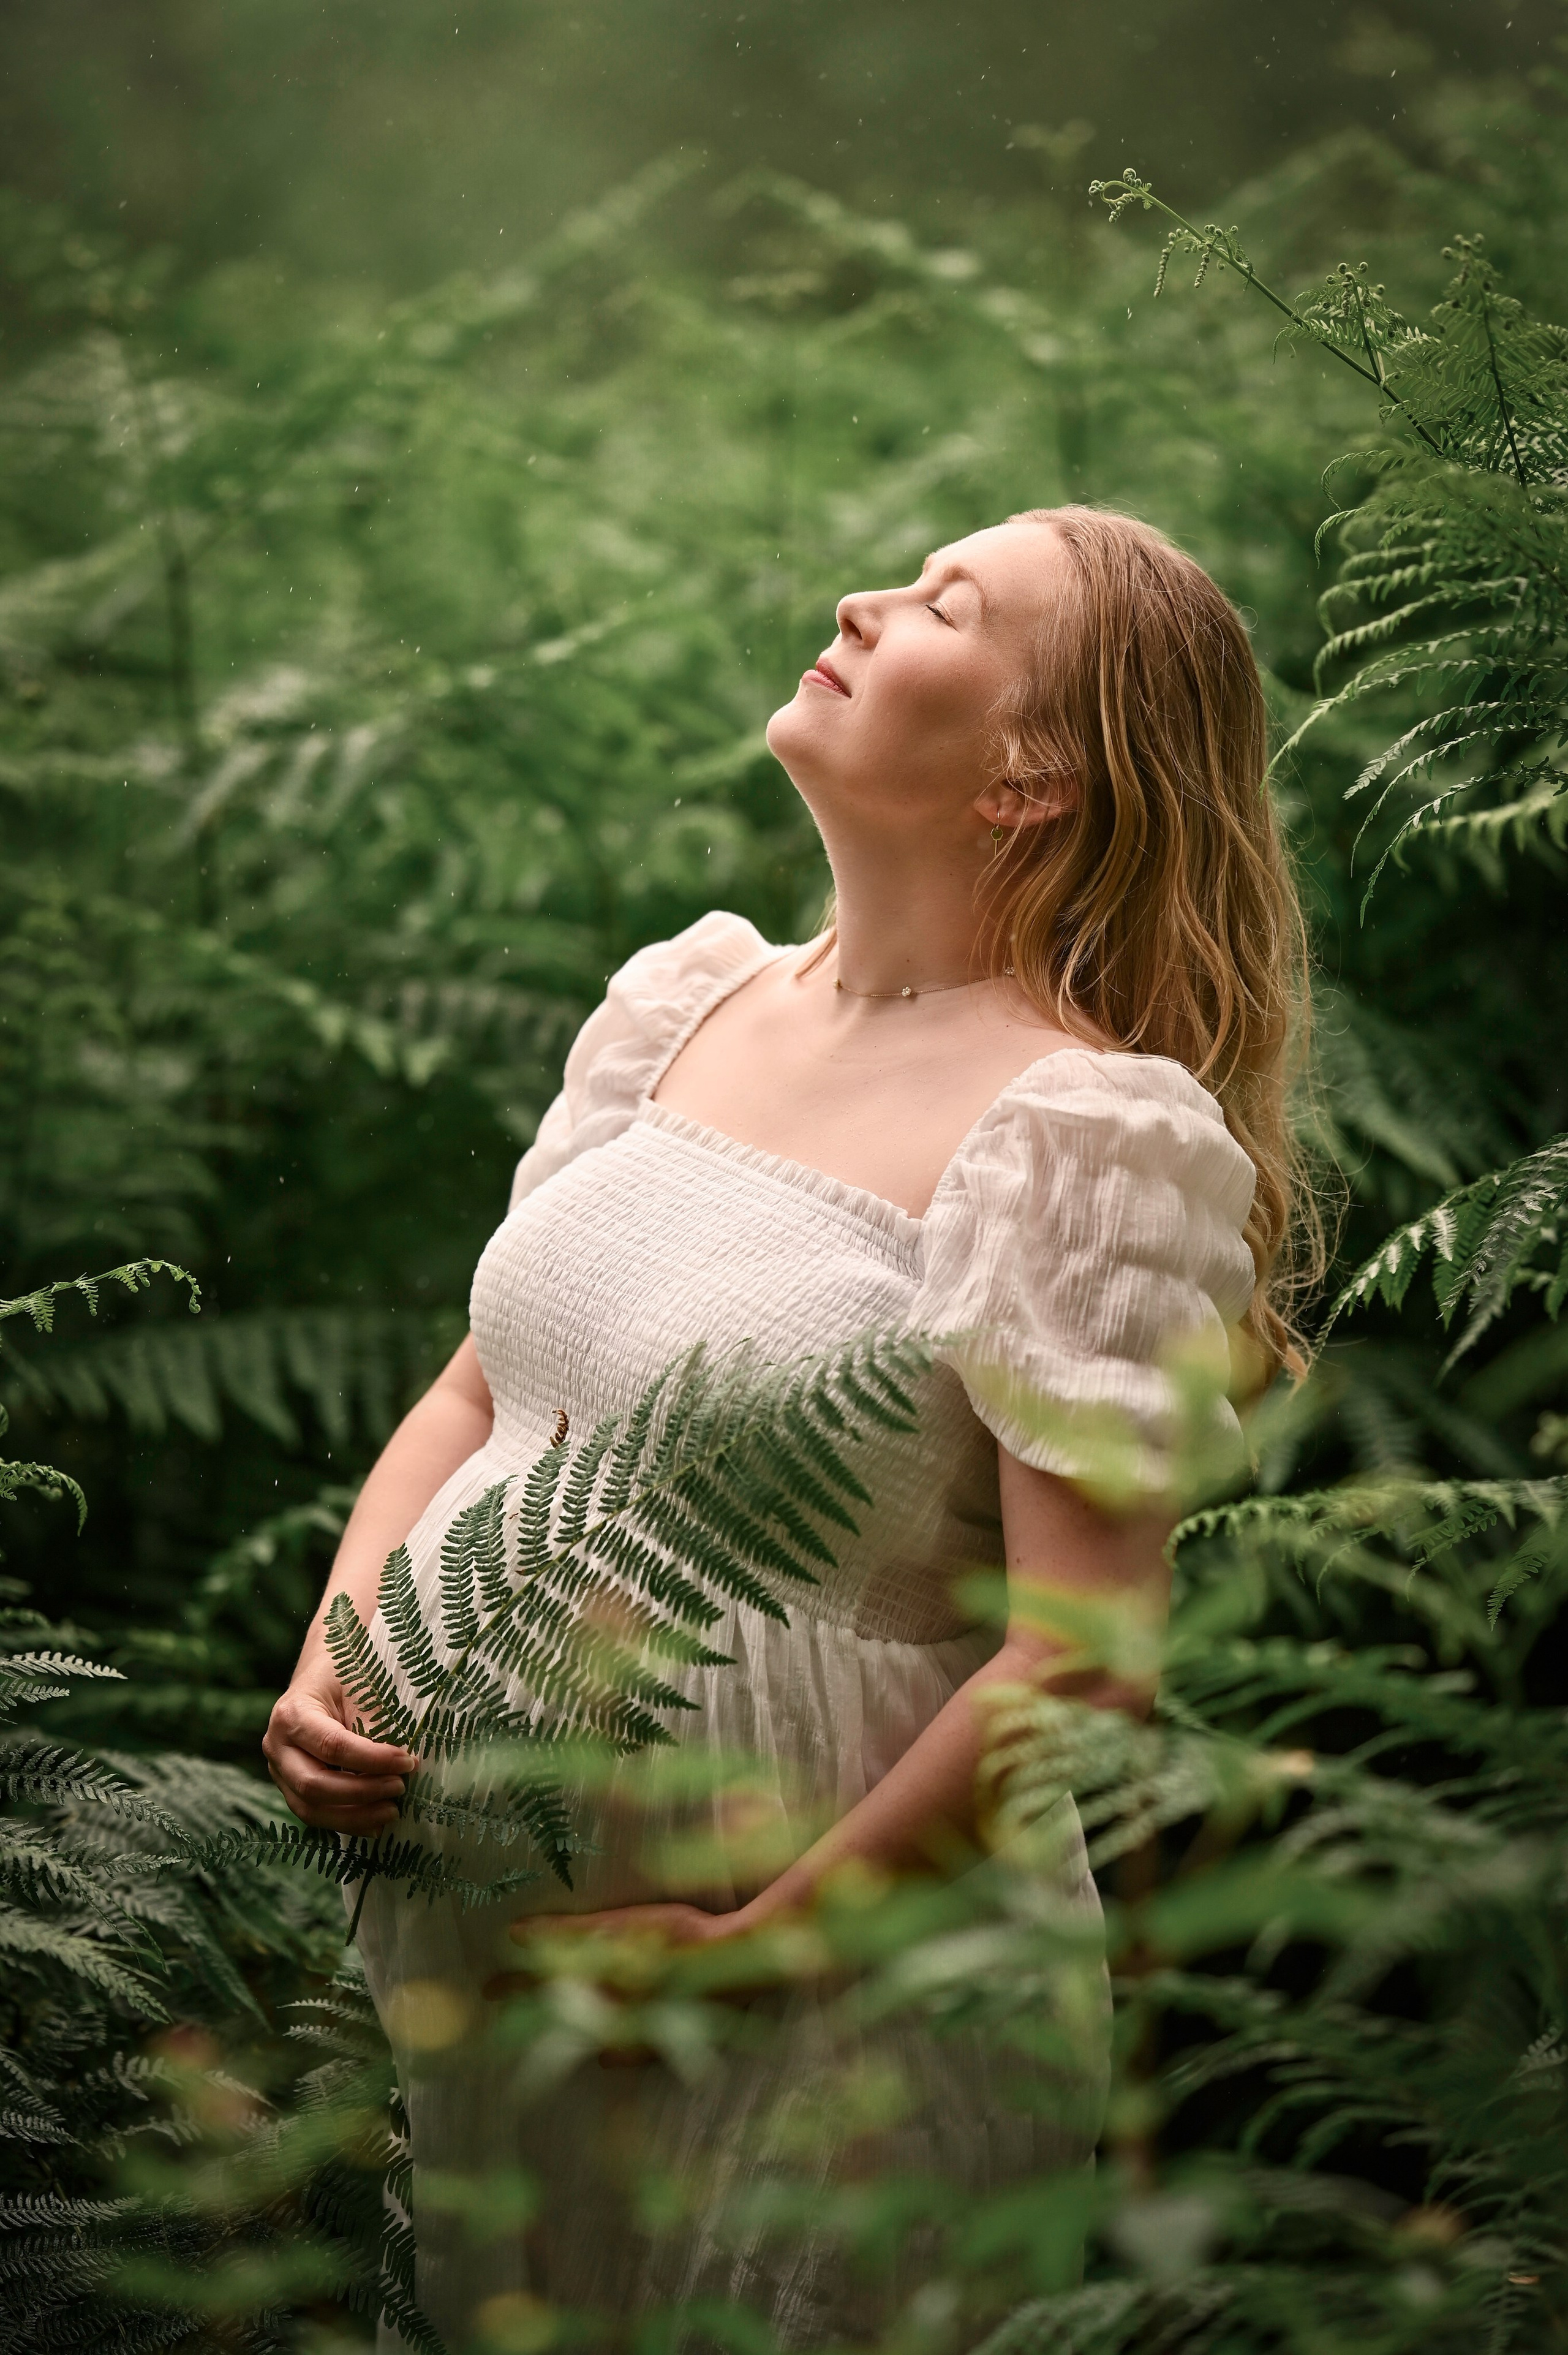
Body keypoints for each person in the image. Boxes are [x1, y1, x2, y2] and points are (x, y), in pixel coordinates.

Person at [264, 505, 1310, 2348]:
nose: (860, 598)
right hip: (488, 1955)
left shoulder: (1082, 1136)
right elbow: (485, 1387)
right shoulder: (685, 1004)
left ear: (1029, 776)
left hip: (828, 2022)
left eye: (942, 606)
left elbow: (1087, 1658)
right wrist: (347, 1646)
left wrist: (755, 1957)